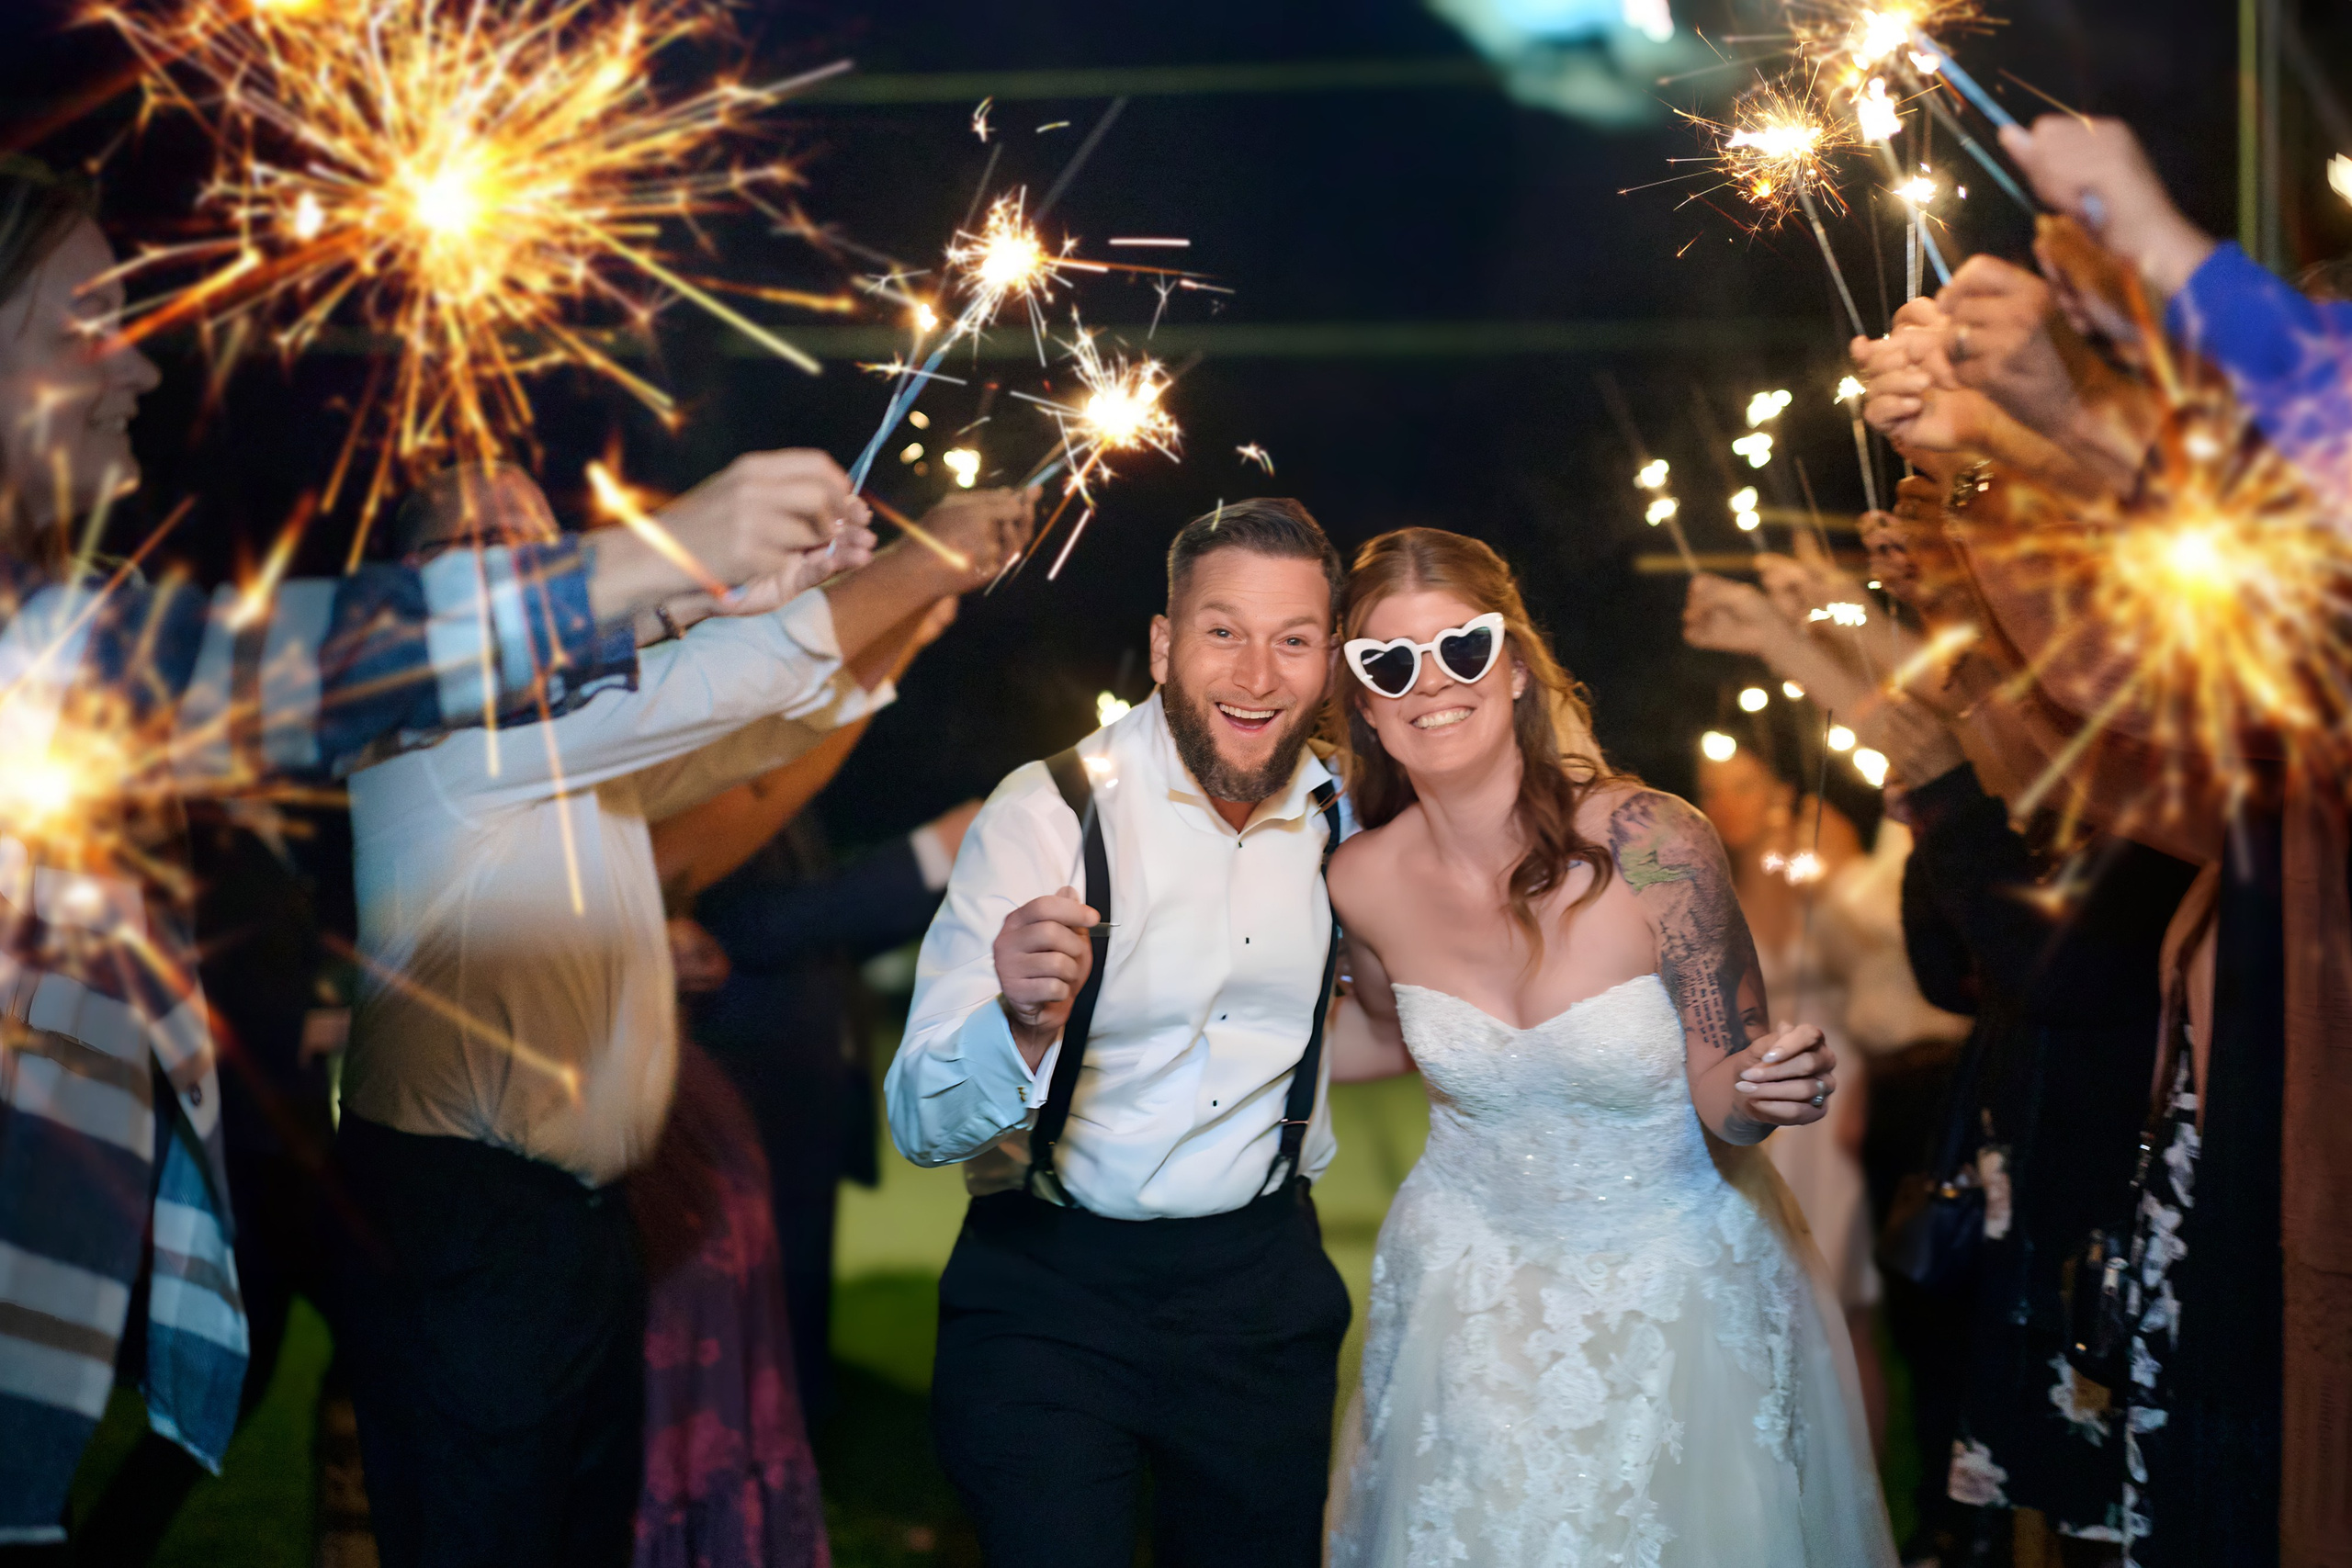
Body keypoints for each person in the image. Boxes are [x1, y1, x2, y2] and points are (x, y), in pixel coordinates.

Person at [0, 158, 817, 1551]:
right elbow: (257, 666)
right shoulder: (79, 652)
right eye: (85, 320)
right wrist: (640, 562)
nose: (135, 363)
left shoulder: (60, 616)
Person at [334, 463, 1033, 1568]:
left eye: (543, 534)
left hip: (574, 1222)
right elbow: (718, 682)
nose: (537, 559)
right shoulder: (435, 718)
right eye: (492, 538)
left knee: (576, 1532)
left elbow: (736, 740)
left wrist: (871, 615)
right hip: (469, 1222)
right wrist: (920, 561)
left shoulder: (558, 744)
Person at [1318, 527, 1893, 1567]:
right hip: (1468, 1291)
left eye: (1461, 647)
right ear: (1363, 699)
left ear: (1518, 668)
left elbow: (1726, 1093)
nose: (1430, 683)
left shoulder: (1652, 842)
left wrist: (1771, 1086)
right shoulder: (1356, 878)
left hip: (1672, 1286)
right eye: (1389, 662)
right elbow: (1377, 1037)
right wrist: (1184, 1033)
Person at [887, 498, 1355, 1568]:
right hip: (1052, 1289)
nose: (1255, 675)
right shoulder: (1044, 813)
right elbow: (919, 1118)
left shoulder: (1348, 818)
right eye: (1221, 632)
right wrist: (1014, 1022)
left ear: (1328, 661)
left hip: (1260, 1293)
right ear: (1162, 645)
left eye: (1293, 641)